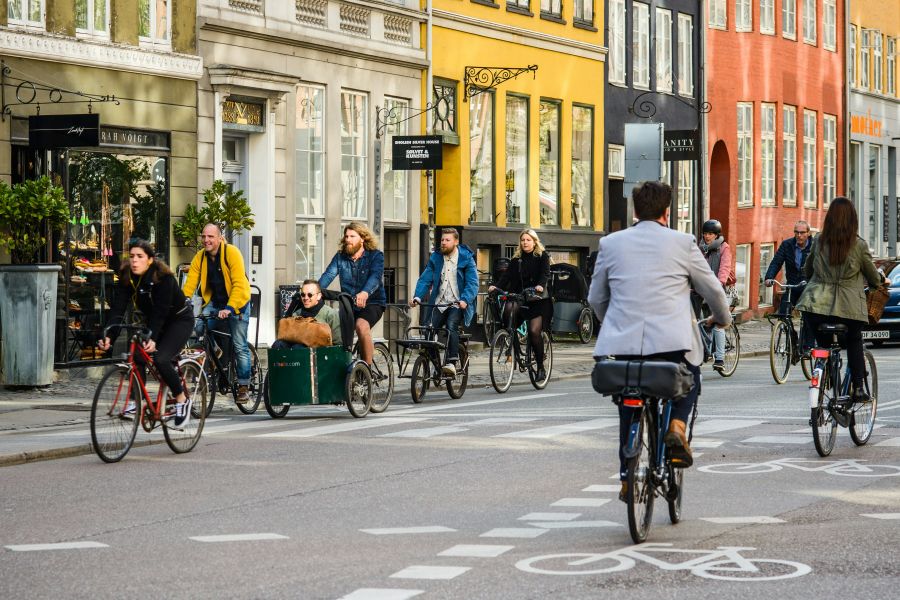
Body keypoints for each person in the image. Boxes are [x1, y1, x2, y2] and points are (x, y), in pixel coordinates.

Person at [588, 181, 731, 501]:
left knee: (629, 399)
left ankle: (627, 476)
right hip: (672, 341)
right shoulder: (683, 243)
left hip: (621, 345)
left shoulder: (611, 244)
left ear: (635, 210)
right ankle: (677, 426)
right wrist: (723, 318)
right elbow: (712, 290)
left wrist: (611, 322)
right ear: (667, 211)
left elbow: (596, 297)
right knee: (690, 378)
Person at [796, 197, 886, 402]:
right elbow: (873, 277)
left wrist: (815, 280)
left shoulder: (818, 240)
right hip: (849, 309)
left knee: (823, 344)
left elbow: (808, 270)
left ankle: (824, 375)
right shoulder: (858, 245)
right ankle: (859, 388)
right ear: (852, 219)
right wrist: (878, 281)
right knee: (854, 341)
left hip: (815, 305)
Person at [98, 240, 195, 426]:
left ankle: (182, 398)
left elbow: (161, 311)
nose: (135, 261)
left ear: (150, 260)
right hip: (154, 321)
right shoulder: (128, 276)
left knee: (161, 359)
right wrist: (109, 335)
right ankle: (137, 401)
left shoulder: (163, 278)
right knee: (137, 355)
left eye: (140, 257)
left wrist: (153, 338)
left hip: (178, 320)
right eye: (132, 256)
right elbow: (118, 309)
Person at [182, 223, 253, 403]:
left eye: (210, 236)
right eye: (204, 236)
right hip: (215, 302)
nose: (206, 240)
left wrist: (230, 308)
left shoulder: (232, 253)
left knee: (239, 345)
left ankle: (244, 385)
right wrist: (183, 301)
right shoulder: (200, 257)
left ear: (220, 238)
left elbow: (238, 284)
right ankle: (215, 350)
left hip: (238, 303)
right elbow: (191, 282)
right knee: (199, 327)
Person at [410, 228, 479, 376]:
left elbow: (473, 283)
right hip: (440, 303)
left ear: (456, 241)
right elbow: (425, 278)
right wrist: (417, 297)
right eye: (442, 240)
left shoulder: (466, 258)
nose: (443, 243)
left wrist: (465, 299)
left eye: (447, 240)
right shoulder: (436, 258)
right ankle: (436, 364)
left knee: (451, 325)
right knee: (428, 329)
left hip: (457, 303)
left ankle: (451, 362)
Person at [489, 228, 553, 382]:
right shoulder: (517, 259)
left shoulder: (542, 256)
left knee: (533, 331)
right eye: (523, 240)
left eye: (528, 240)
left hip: (537, 299)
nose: (525, 242)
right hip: (520, 297)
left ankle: (540, 368)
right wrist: (496, 287)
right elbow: (507, 277)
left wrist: (540, 285)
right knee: (508, 313)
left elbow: (545, 273)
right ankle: (511, 340)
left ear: (534, 241)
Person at [319, 221, 386, 365]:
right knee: (339, 336)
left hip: (372, 303)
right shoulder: (340, 257)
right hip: (348, 304)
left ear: (363, 239)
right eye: (346, 236)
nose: (348, 239)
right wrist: (314, 291)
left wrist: (365, 292)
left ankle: (366, 371)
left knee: (362, 326)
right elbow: (328, 275)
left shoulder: (375, 256)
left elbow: (375, 277)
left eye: (352, 236)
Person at [764, 220, 816, 356]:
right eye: (796, 232)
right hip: (792, 285)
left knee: (809, 315)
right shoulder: (787, 245)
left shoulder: (815, 246)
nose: (799, 235)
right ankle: (789, 339)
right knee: (783, 313)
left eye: (802, 233)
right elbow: (776, 262)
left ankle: (808, 346)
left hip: (808, 286)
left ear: (808, 233)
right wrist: (769, 277)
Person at [697, 219, 734, 373]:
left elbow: (725, 267)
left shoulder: (724, 248)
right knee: (696, 320)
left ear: (717, 235)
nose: (707, 236)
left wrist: (719, 283)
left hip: (719, 289)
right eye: (705, 233)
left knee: (718, 323)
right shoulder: (699, 248)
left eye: (710, 234)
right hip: (702, 289)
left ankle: (719, 359)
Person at [272, 280, 342, 349]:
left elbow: (338, 344)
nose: (306, 298)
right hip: (296, 350)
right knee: (278, 344)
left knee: (299, 348)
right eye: (303, 295)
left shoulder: (330, 314)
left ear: (319, 296)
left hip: (320, 354)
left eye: (310, 295)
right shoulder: (296, 314)